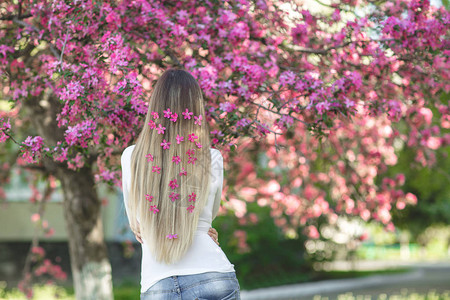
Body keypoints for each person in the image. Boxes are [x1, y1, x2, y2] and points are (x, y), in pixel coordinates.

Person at [120, 69, 240, 299]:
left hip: (158, 285)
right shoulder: (211, 157)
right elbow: (207, 219)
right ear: (195, 109)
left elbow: (138, 226)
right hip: (214, 278)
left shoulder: (131, 158)